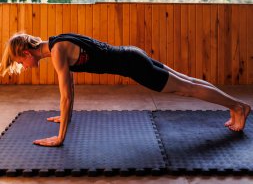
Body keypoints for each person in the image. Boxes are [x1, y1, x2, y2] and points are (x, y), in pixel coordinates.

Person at [0, 32, 251, 147]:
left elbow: (67, 96)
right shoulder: (57, 41)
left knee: (187, 89)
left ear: (25, 52)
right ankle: (237, 106)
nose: (23, 66)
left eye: (20, 62)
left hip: (133, 65)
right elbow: (69, 95)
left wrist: (60, 137)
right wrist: (65, 116)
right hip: (132, 54)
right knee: (190, 82)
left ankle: (238, 107)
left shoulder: (57, 52)